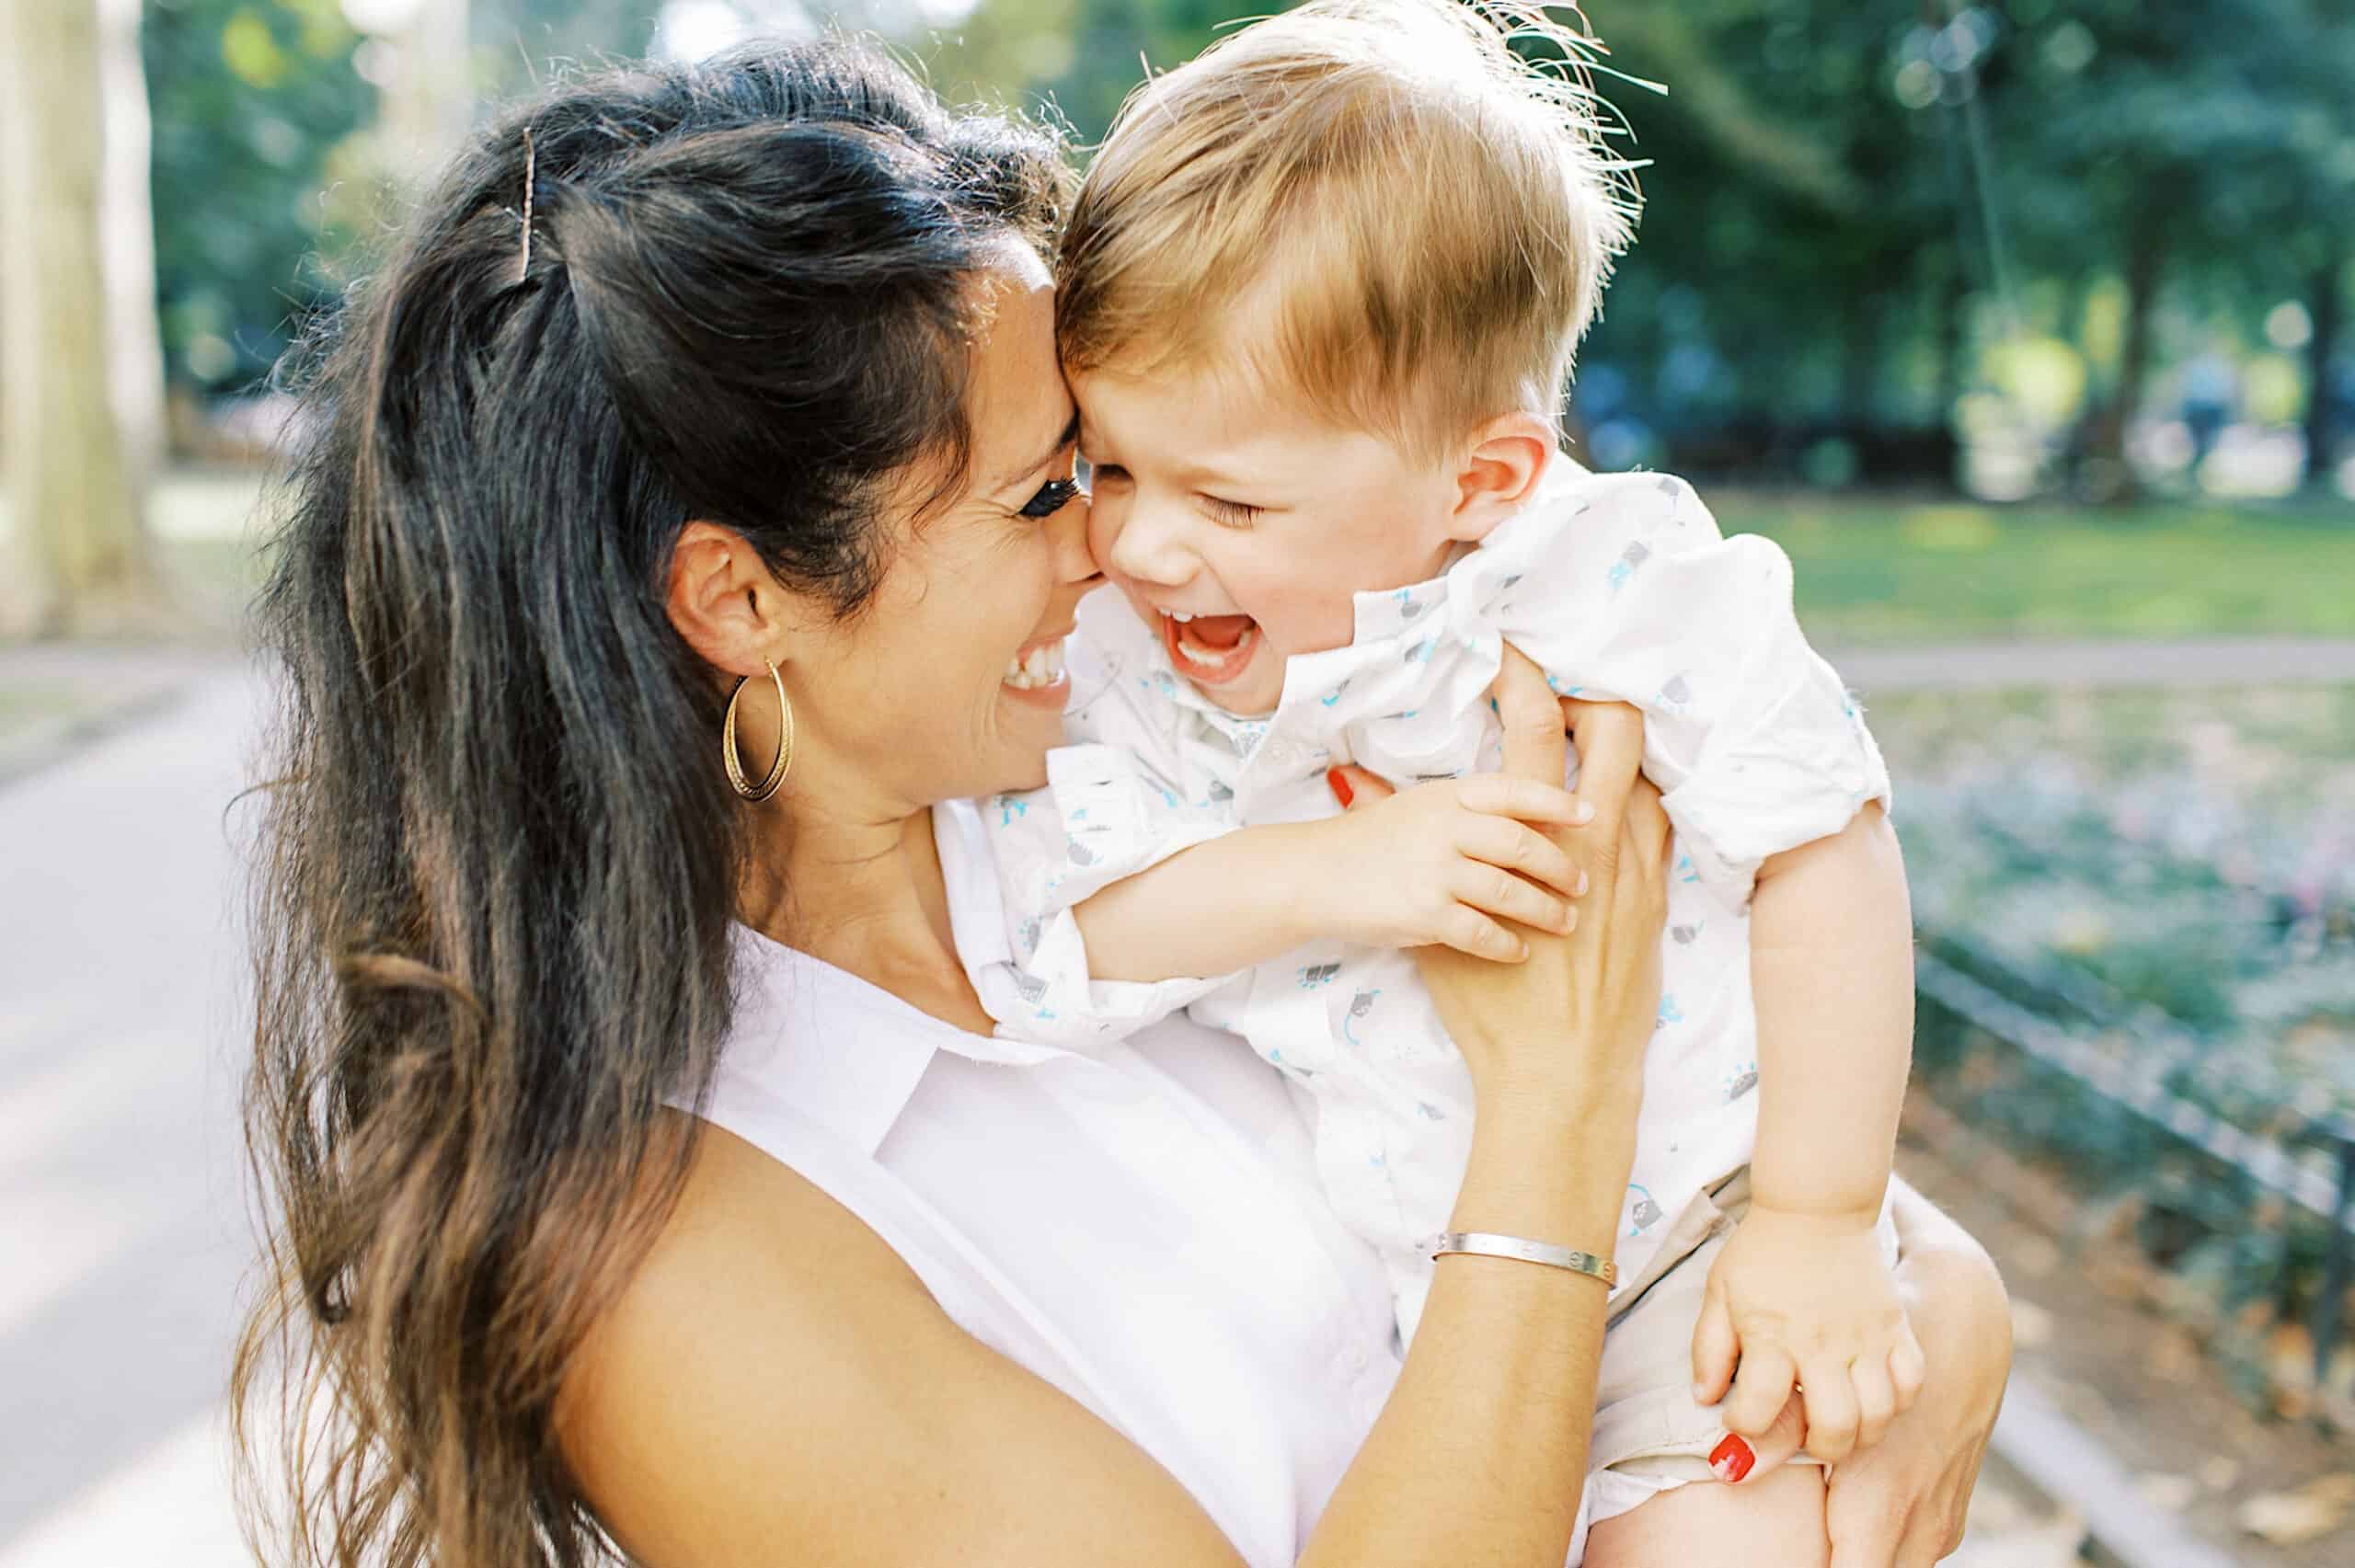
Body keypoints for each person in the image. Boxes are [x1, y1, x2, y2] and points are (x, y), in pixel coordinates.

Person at [232, 39, 2013, 1568]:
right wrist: (1556, 1104)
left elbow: (1735, 1000)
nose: (1123, 544)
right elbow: (1570, 1070)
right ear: (740, 598)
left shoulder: (1113, 728)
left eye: (1103, 459)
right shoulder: (670, 1267)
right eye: (1045, 494)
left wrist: (1930, 1281)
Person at [975, 6, 1915, 1559]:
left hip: (1701, 1256)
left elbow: (1826, 835)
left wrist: (1819, 1215)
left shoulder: (1608, 582)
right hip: (1412, 1306)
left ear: (1481, 480)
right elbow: (1067, 926)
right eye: (1111, 467)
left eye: (1230, 495)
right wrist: (1356, 868)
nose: (1143, 545)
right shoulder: (1128, 661)